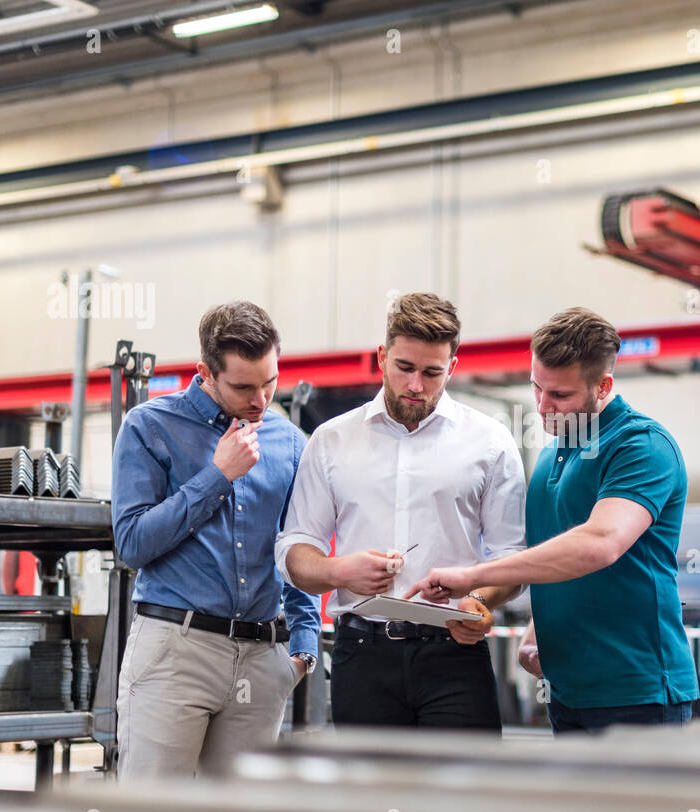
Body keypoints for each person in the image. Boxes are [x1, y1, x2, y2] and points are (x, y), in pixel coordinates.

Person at [407, 307, 699, 734]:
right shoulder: (552, 454)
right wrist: (537, 624)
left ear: (604, 386)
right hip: (567, 691)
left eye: (560, 395)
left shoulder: (641, 446)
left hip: (638, 694)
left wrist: (473, 576)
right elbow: (555, 556)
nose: (542, 407)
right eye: (536, 388)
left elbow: (599, 543)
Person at [275, 292, 526, 731]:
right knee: (370, 798)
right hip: (362, 655)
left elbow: (513, 560)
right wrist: (340, 572)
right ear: (381, 357)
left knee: (464, 795)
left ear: (453, 366)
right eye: (404, 368)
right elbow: (295, 552)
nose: (416, 386)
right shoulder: (331, 441)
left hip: (455, 655)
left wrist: (477, 600)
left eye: (432, 373)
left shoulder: (490, 441)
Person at [112, 301, 320, 778]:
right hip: (175, 653)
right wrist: (217, 476)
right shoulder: (150, 427)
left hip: (264, 659)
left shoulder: (290, 443)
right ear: (204, 372)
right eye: (243, 386)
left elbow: (298, 547)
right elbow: (132, 544)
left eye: (270, 381)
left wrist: (303, 649)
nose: (261, 399)